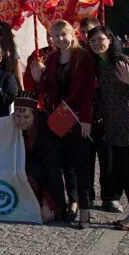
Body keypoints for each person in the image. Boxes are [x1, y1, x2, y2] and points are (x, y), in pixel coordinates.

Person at [31, 20, 96, 229]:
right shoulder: (52, 58)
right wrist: (38, 79)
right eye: (55, 36)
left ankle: (83, 209)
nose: (59, 39)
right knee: (62, 163)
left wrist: (86, 119)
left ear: (72, 34)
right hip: (58, 116)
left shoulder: (83, 58)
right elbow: (48, 88)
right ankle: (68, 203)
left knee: (80, 164)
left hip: (76, 116)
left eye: (63, 35)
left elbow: (87, 92)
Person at [88, 26, 129, 231]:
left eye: (101, 39)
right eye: (93, 41)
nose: (97, 43)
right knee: (122, 171)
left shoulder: (120, 61)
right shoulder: (96, 64)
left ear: (110, 39)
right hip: (111, 126)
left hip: (128, 124)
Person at [79, 17, 123, 213]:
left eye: (96, 35)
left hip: (108, 118)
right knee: (85, 160)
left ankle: (110, 197)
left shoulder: (113, 60)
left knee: (109, 160)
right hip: (87, 117)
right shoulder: (81, 58)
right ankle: (87, 195)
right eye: (87, 35)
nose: (94, 41)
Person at [12, 96, 66, 223]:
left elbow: (52, 173)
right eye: (18, 117)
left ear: (34, 117)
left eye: (26, 117)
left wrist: (48, 204)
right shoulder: (11, 131)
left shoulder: (45, 137)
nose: (21, 121)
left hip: (41, 181)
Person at [0, 21, 24, 91]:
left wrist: (22, 93)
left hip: (5, 90)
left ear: (0, 37)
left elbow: (18, 75)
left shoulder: (11, 51)